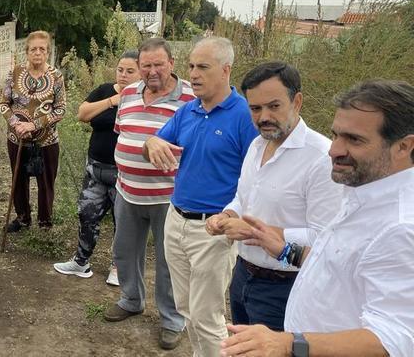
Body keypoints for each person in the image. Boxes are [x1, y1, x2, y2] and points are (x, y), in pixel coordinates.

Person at [221, 80, 414, 357]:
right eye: (336, 135)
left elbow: (394, 339)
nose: (334, 150)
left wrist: (287, 344)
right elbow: (341, 264)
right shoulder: (363, 192)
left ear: (403, 147)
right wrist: (286, 250)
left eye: (354, 139)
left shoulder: (401, 226)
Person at [143, 36, 259, 357]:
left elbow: (258, 179)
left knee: (207, 316)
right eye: (191, 66)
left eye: (203, 67)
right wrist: (151, 143)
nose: (193, 74)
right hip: (176, 219)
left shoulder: (244, 116)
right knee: (186, 308)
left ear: (225, 70)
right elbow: (152, 143)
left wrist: (233, 218)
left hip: (214, 230)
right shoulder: (188, 111)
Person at [205, 62, 342, 331]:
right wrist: (227, 215)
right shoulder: (257, 145)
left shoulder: (322, 158)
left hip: (287, 287)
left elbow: (326, 238)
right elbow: (244, 199)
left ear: (297, 101)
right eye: (255, 108)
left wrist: (256, 232)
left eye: (274, 106)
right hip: (243, 274)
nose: (263, 116)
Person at [94, 39, 195, 350]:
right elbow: (123, 134)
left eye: (158, 64)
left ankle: (172, 320)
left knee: (170, 261)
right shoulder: (127, 93)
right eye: (146, 65)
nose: (152, 71)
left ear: (172, 63)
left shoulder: (191, 98)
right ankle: (131, 299)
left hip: (169, 197)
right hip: (127, 190)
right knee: (124, 252)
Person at [52, 50, 139, 284]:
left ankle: (118, 267)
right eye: (121, 70)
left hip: (124, 173)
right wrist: (112, 101)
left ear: (141, 73)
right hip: (96, 168)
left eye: (130, 71)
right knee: (86, 214)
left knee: (123, 221)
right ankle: (81, 262)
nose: (123, 75)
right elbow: (82, 113)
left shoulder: (143, 99)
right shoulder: (104, 90)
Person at [0, 30, 66, 231]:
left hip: (46, 141)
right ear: (27, 51)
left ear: (48, 52)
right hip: (17, 139)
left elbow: (61, 109)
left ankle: (45, 223)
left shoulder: (56, 77)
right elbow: (4, 103)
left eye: (42, 49)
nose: (38, 53)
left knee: (45, 183)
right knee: (18, 179)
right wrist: (17, 124)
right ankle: (22, 218)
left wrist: (34, 125)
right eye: (34, 49)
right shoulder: (15, 73)